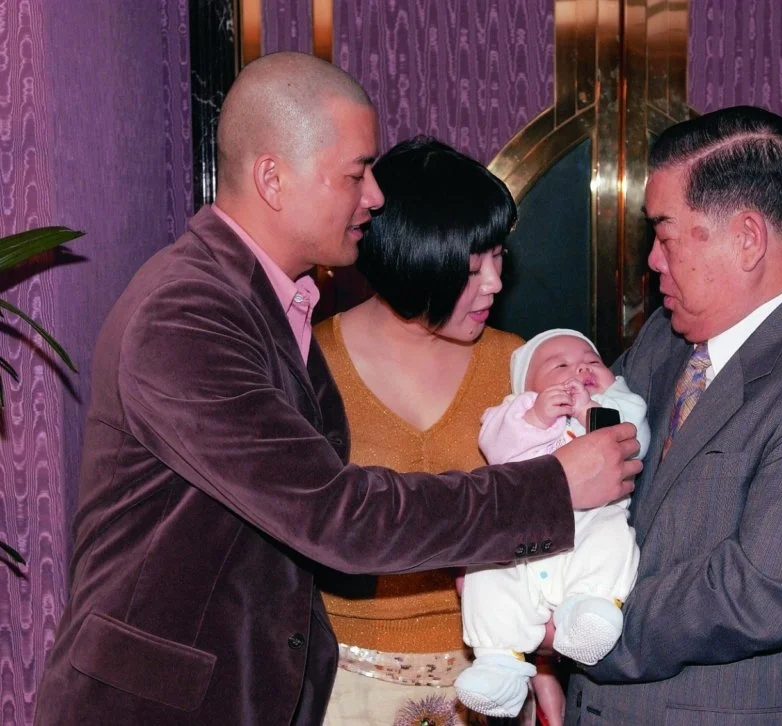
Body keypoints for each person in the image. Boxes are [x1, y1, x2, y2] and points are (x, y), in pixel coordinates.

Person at [34, 52, 641, 726]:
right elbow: (337, 516)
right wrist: (552, 487)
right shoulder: (188, 314)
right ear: (273, 178)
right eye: (356, 174)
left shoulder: (273, 301)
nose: (375, 196)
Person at [563, 105, 782, 725]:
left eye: (665, 235)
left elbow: (763, 593)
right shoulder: (667, 336)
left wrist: (575, 630)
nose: (653, 261)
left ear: (748, 238)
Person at [315, 136, 545, 726]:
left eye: (498, 257)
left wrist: (544, 666)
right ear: (410, 262)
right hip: (340, 678)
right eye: (470, 269)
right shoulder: (311, 364)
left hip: (491, 672)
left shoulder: (518, 364)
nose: (494, 283)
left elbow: (551, 530)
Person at [456, 329, 649, 719]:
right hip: (523, 539)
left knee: (612, 540)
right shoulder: (516, 410)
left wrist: (590, 410)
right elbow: (499, 450)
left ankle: (589, 613)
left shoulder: (619, 402)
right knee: (485, 571)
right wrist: (537, 416)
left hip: (590, 523)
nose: (579, 370)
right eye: (559, 365)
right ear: (526, 386)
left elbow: (632, 441)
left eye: (592, 361)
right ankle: (498, 661)